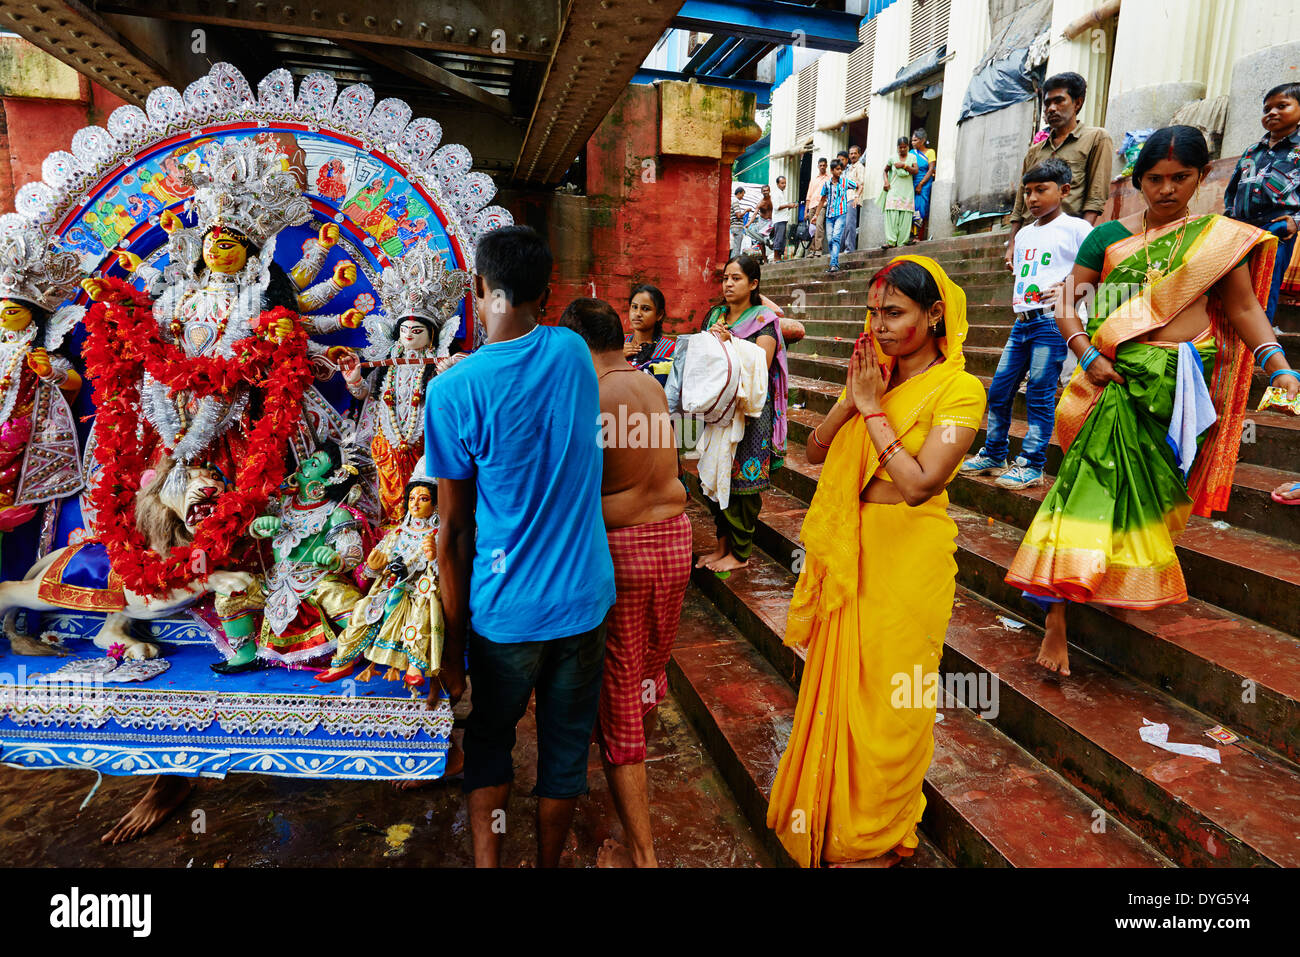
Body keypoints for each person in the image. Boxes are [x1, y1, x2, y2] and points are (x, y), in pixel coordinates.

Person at [1004, 126, 1300, 676]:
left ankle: (1121, 581)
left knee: (1152, 493)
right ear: (1137, 180)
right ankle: (1056, 617)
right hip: (1116, 379)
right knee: (1086, 490)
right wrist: (1086, 356)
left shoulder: (1217, 238)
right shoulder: (1106, 237)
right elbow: (1070, 303)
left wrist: (1276, 364)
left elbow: (1242, 309)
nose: (1167, 190)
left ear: (1202, 176)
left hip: (1184, 386)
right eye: (1155, 179)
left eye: (1180, 178)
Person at [766, 256, 985, 867]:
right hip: (854, 545)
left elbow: (919, 483)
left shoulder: (960, 390)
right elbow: (811, 452)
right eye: (873, 312)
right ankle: (836, 819)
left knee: (894, 703)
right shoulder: (875, 375)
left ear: (935, 314)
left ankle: (877, 833)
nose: (880, 325)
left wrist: (871, 409)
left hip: (909, 552)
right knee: (845, 691)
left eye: (894, 313)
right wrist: (856, 399)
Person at [422, 225, 616, 867]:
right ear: (548, 292)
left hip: (505, 614)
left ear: (479, 289)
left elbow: (452, 532)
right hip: (583, 601)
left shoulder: (452, 390)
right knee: (564, 753)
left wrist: (451, 647)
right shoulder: (571, 354)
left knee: (490, 745)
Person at [557, 298, 691, 869]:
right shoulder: (649, 388)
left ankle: (641, 856)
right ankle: (635, 790)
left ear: (575, 341)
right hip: (676, 541)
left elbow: (576, 494)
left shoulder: (592, 395)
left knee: (616, 701)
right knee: (648, 673)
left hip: (628, 552)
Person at [962, 159, 1092, 489]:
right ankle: (994, 453)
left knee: (1039, 392)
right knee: (1001, 388)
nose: (1032, 198)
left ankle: (1032, 463)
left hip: (1052, 323)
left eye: (1041, 190)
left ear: (1064, 190)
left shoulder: (1078, 230)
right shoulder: (1023, 236)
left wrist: (1069, 287)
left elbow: (1097, 271)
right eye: (1028, 192)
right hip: (1022, 322)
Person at [695, 254, 788, 573]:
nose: (729, 284)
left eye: (736, 278)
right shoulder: (715, 316)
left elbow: (760, 364)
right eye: (725, 278)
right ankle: (723, 547)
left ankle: (741, 552)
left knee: (743, 483)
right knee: (713, 474)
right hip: (717, 408)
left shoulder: (764, 319)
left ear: (753, 283)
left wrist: (730, 341)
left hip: (750, 412)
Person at [1005, 72, 1114, 274]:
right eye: (1047, 104)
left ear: (1077, 103)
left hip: (1067, 239)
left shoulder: (1096, 139)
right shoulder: (1034, 152)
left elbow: (1096, 196)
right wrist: (1012, 242)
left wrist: (1080, 241)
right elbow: (1021, 199)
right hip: (1033, 237)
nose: (1051, 108)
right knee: (1030, 298)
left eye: (1059, 101)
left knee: (1062, 297)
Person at [1224, 82, 1300, 321]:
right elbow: (1233, 189)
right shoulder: (1251, 151)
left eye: (1282, 106)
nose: (1272, 113)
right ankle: (1232, 339)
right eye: (1267, 109)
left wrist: (1296, 221)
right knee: (1234, 283)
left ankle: (1258, 347)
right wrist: (1228, 217)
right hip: (1241, 227)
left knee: (1264, 286)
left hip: (1276, 227)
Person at [624, 283, 675, 385]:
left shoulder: (670, 350)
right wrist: (617, 357)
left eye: (645, 309)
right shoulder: (617, 343)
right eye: (634, 307)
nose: (638, 313)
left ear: (659, 315)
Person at [879, 138, 918, 251]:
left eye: (904, 147)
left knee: (905, 216)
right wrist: (886, 182)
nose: (902, 149)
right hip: (894, 190)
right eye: (900, 147)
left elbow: (916, 171)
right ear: (897, 147)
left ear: (908, 147)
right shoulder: (892, 158)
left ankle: (902, 242)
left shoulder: (912, 157)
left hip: (907, 191)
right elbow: (885, 171)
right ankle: (890, 241)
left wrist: (904, 166)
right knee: (891, 214)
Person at [820, 159, 857, 274]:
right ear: (832, 170)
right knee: (830, 240)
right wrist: (816, 215)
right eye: (837, 169)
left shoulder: (845, 182)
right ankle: (834, 262)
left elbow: (858, 186)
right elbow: (822, 199)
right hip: (829, 215)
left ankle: (834, 264)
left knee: (836, 238)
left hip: (841, 214)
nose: (840, 171)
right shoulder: (826, 184)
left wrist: (856, 197)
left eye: (841, 169)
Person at [911, 129, 937, 240]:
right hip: (912, 183)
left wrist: (921, 184)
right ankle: (910, 235)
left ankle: (918, 236)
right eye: (912, 140)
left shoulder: (930, 152)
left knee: (921, 208)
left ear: (922, 141)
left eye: (915, 140)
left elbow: (931, 170)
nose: (913, 143)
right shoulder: (911, 153)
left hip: (924, 184)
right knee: (911, 208)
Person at [844, 144, 867, 253]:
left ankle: (850, 249)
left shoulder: (860, 167)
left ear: (859, 154)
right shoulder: (849, 169)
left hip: (853, 198)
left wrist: (857, 197)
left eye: (855, 153)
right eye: (851, 153)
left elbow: (861, 184)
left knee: (850, 225)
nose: (853, 155)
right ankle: (846, 248)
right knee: (844, 226)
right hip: (845, 199)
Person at [806, 157, 830, 257]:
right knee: (812, 228)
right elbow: (809, 194)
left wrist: (827, 202)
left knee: (819, 226)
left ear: (827, 166)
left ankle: (818, 250)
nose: (822, 167)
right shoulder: (814, 179)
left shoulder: (829, 178)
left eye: (824, 165)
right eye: (820, 165)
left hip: (822, 205)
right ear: (818, 166)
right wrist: (806, 210)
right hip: (812, 205)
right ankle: (811, 250)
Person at [771, 174, 797, 260]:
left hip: (782, 219)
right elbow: (776, 207)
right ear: (777, 184)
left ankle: (778, 258)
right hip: (779, 220)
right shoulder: (776, 193)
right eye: (782, 183)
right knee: (779, 239)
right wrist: (788, 205)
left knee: (782, 239)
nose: (784, 185)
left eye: (785, 183)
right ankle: (776, 258)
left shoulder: (781, 193)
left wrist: (790, 206)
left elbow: (782, 207)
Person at [730, 185, 747, 258]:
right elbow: (739, 215)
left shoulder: (733, 200)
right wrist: (746, 211)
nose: (742, 197)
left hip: (734, 227)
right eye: (742, 195)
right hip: (737, 227)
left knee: (736, 247)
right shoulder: (735, 201)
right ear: (739, 193)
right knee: (737, 248)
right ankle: (733, 262)